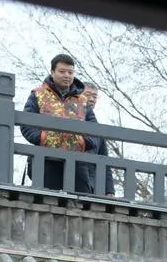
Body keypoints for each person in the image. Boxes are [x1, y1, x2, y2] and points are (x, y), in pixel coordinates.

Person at [21, 54, 112, 195]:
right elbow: (26, 124)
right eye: (62, 71)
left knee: (82, 200)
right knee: (47, 200)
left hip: (77, 161)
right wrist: (43, 138)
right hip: (45, 159)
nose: (67, 76)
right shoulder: (38, 94)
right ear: (53, 72)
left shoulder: (82, 100)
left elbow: (94, 129)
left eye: (70, 72)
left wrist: (83, 142)